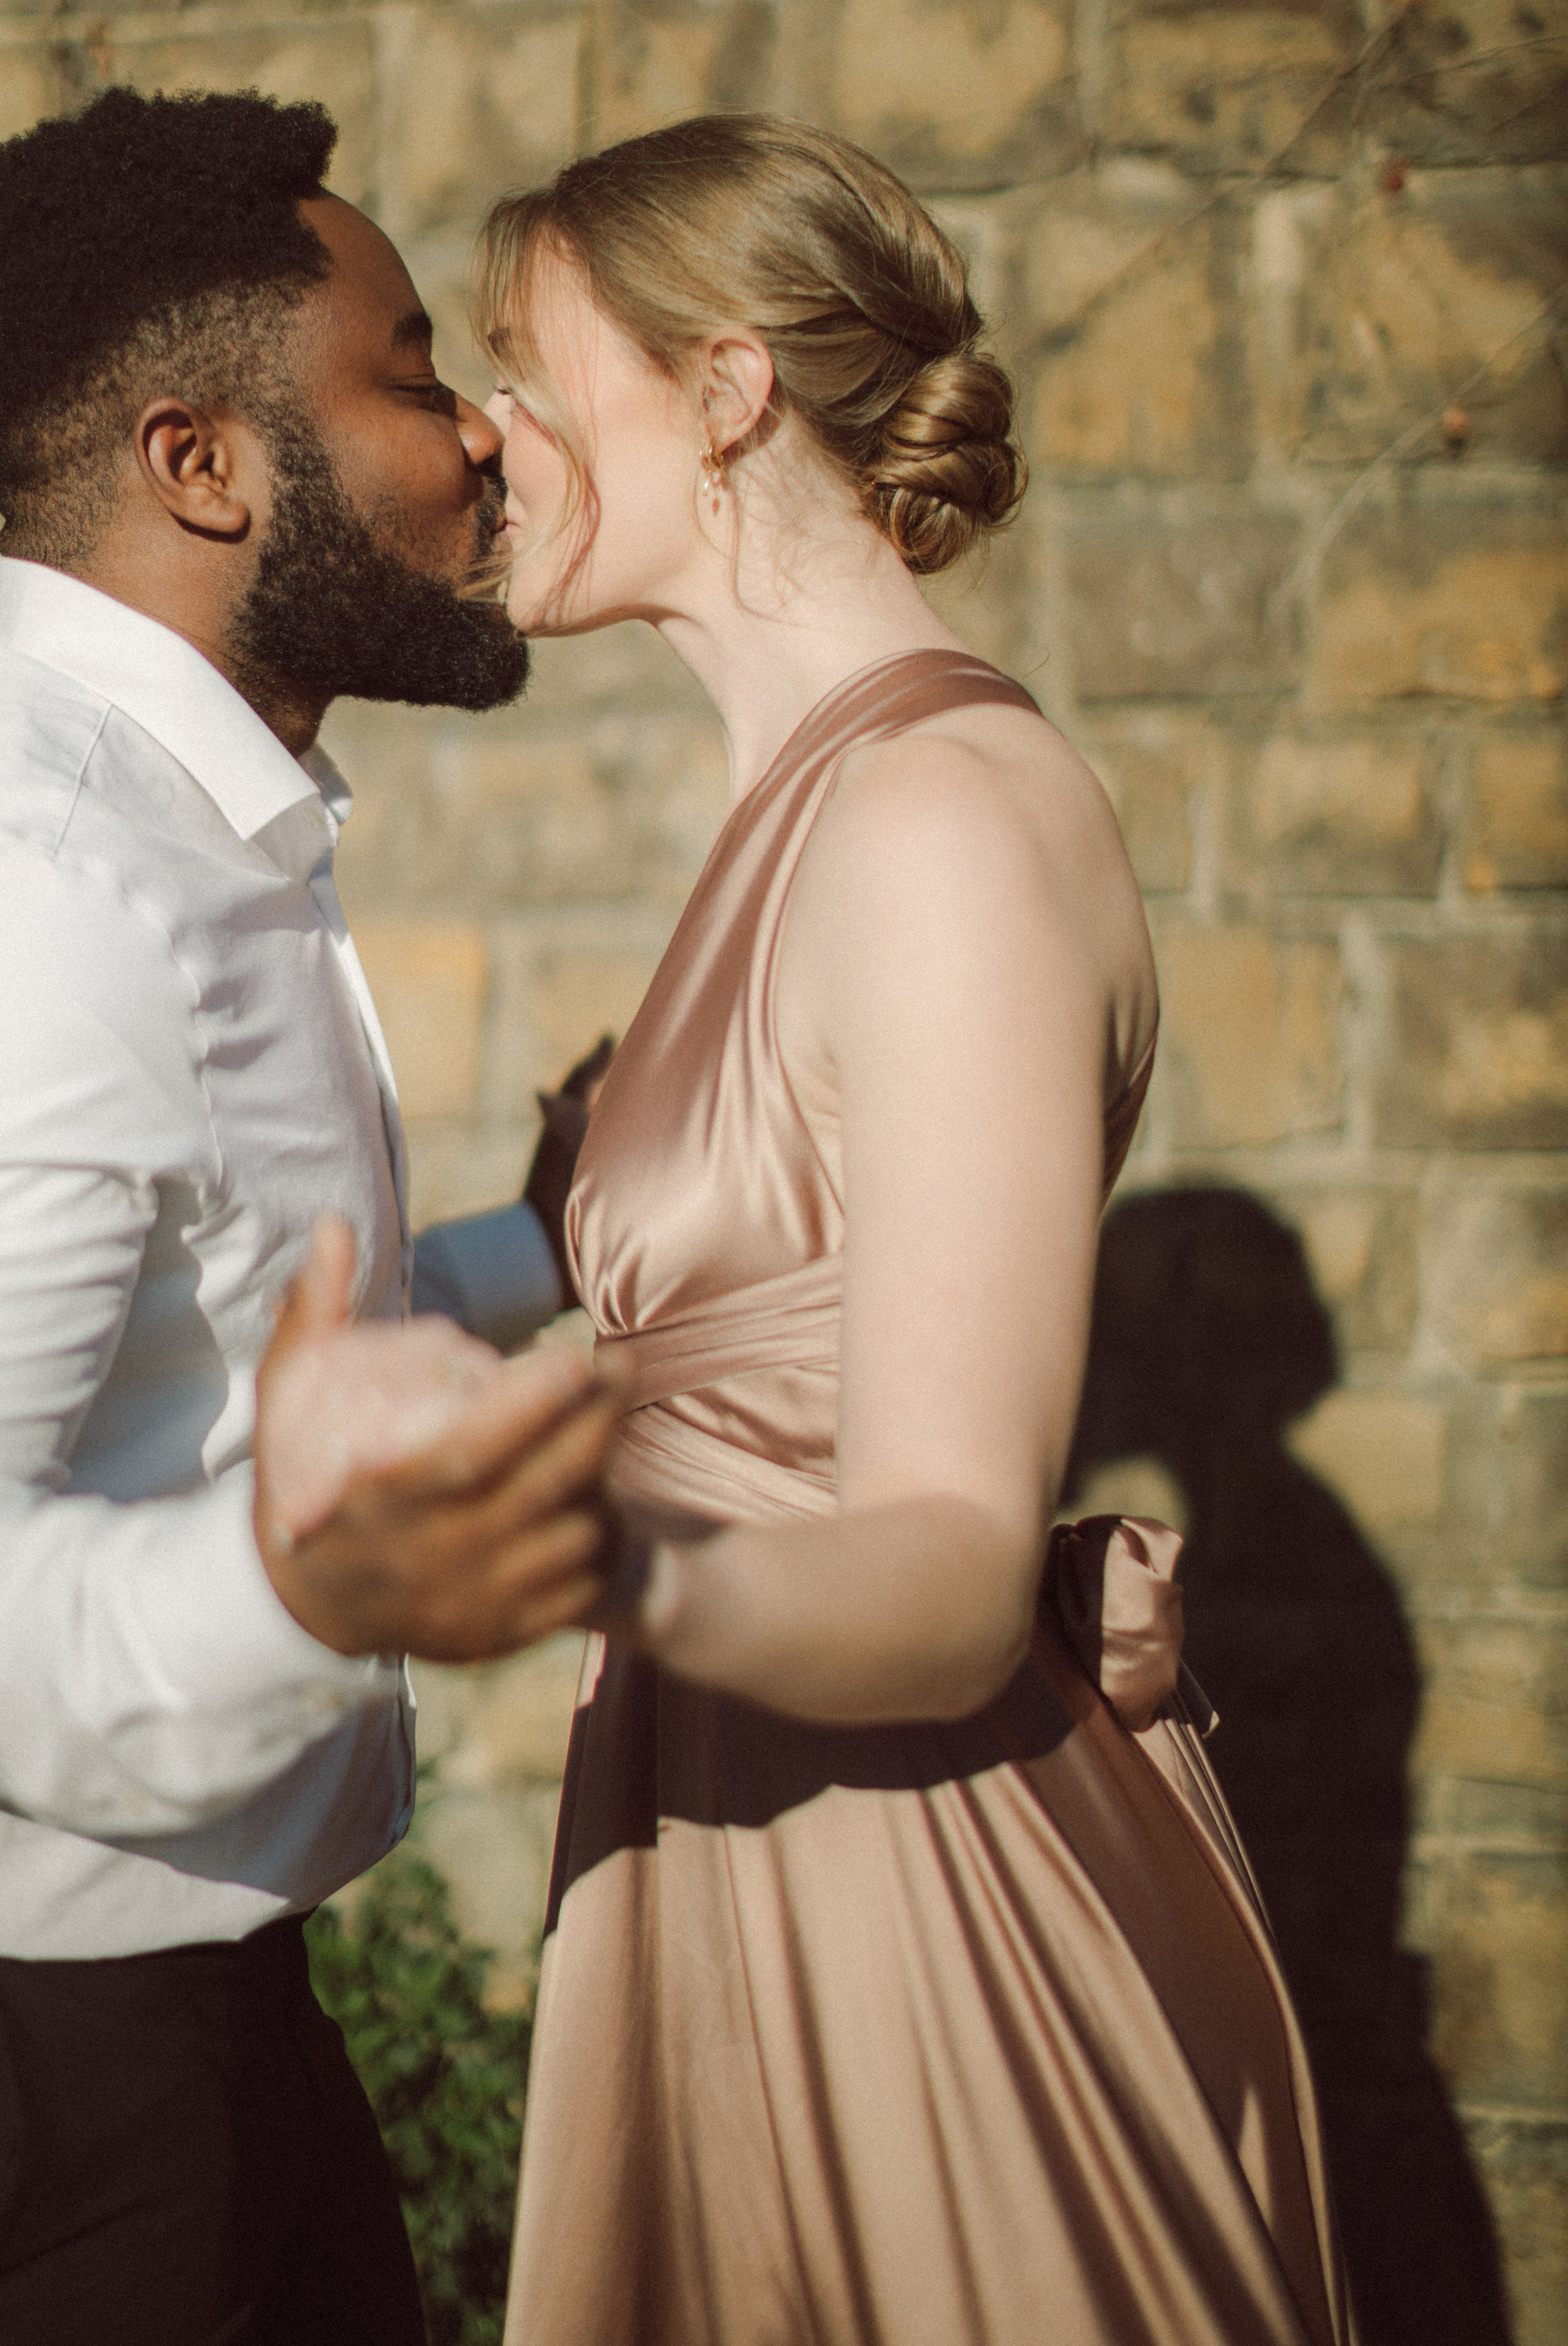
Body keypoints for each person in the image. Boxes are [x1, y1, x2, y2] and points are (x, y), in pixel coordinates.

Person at [476, 114, 1354, 2346]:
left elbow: (954, 1572)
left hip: (917, 1908)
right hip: (738, 1827)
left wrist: (545, 1541)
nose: (488, 429)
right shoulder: (805, 810)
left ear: (731, 387)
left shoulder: (940, 814)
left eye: (528, 361)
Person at [0, 87, 623, 2344]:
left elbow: (220, 1370)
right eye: (422, 374)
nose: (491, 440)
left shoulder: (178, 824)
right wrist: (281, 1596)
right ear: (204, 464)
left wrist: (536, 1245)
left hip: (190, 2026)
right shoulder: (20, 881)